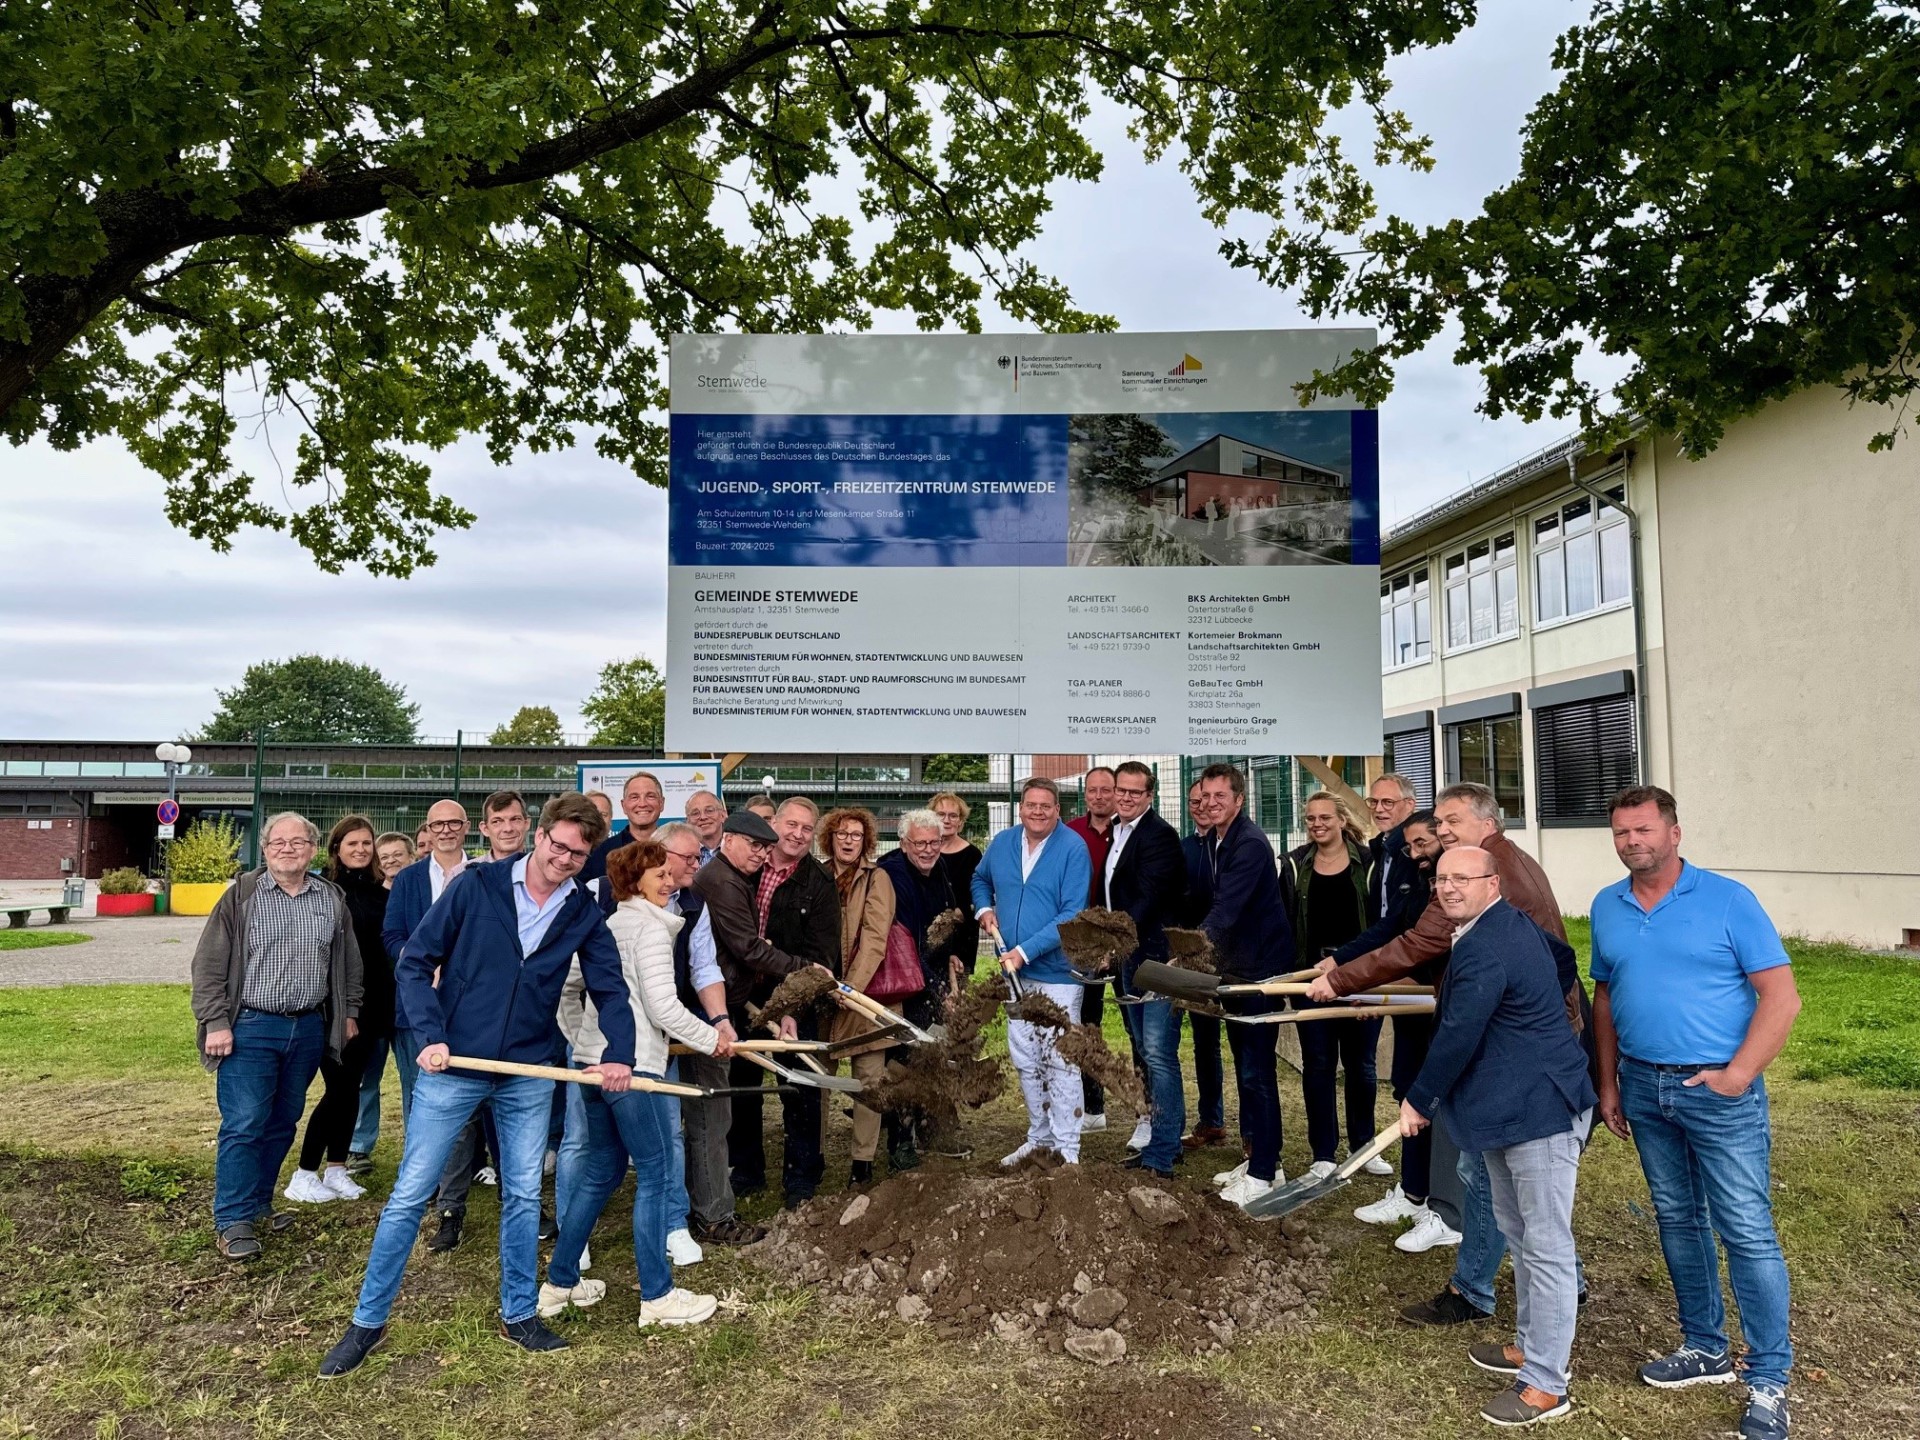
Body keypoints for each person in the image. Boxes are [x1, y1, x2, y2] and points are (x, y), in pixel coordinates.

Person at [319, 793, 637, 1377]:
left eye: (577, 853)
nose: (564, 859)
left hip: (527, 1073)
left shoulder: (583, 913)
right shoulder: (478, 885)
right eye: (558, 845)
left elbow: (611, 988)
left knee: (523, 1196)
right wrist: (429, 1033)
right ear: (539, 836)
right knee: (410, 1195)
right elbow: (415, 961)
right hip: (454, 1065)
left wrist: (620, 1055)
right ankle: (367, 1323)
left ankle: (519, 1314)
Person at [1308, 782, 1586, 1328]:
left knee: (1490, 1176)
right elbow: (1558, 958)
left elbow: (1423, 949)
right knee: (1502, 1181)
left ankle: (1488, 1295)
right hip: (1525, 1042)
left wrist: (1339, 980)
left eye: (1452, 821)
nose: (1442, 832)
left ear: (1488, 825)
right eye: (1439, 823)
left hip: (1517, 1056)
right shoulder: (1502, 865)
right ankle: (1544, 1282)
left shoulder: (1484, 882)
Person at [1591, 787, 1800, 1440]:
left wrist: (1737, 1076)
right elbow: (1606, 996)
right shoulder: (1607, 905)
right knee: (1678, 1219)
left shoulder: (1729, 900)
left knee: (1746, 1230)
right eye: (1622, 832)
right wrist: (1608, 1082)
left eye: (1644, 829)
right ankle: (1705, 1346)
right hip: (1643, 1085)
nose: (1632, 841)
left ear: (1674, 833)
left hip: (1717, 1091)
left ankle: (1768, 1378)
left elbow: (1781, 997)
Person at [1400, 847, 1596, 1429]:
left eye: (1463, 878)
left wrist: (1420, 1099)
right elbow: (1562, 960)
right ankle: (1530, 1347)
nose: (1449, 888)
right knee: (1519, 1233)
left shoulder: (1489, 943)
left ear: (1493, 883)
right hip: (1508, 1105)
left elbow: (1459, 1031)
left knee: (1546, 1245)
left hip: (1541, 1110)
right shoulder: (1502, 926)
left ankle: (1547, 1385)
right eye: (1442, 879)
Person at [543, 840, 728, 1329]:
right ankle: (658, 1296)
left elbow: (566, 988)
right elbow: (664, 1007)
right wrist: (713, 1040)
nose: (670, 882)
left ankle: (560, 1283)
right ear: (634, 882)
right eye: (659, 875)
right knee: (656, 1171)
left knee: (602, 1170)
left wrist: (582, 1041)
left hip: (592, 1068)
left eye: (669, 873)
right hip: (632, 1070)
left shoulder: (609, 924)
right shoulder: (650, 929)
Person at [191, 812, 363, 1261]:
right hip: (250, 1026)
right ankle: (232, 1220)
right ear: (265, 849)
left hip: (306, 1028)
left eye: (298, 842)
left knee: (283, 1120)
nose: (288, 849)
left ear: (313, 849)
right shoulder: (241, 896)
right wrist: (215, 1021)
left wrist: (348, 1012)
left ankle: (258, 1205)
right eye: (278, 842)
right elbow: (208, 965)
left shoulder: (330, 898)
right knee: (246, 1122)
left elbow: (349, 963)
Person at [692, 809, 836, 1209]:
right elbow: (746, 946)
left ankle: (801, 1178)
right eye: (791, 825)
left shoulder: (818, 882)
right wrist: (797, 967)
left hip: (787, 995)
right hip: (741, 997)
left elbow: (820, 949)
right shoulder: (736, 875)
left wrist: (795, 1000)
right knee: (743, 1087)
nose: (798, 834)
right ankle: (746, 1169)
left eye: (807, 828)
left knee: (800, 1087)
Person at [425, 793, 537, 1252]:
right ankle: (450, 1211)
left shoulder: (545, 874)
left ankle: (523, 1203)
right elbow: (437, 942)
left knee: (515, 1122)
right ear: (485, 828)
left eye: (515, 819)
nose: (508, 828)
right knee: (462, 1122)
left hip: (523, 1021)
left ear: (528, 825)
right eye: (498, 820)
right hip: (468, 1020)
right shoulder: (465, 877)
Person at [972, 777, 1093, 1167]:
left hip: (1057, 974)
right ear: (1020, 809)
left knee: (1060, 1059)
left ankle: (1066, 1149)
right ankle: (1039, 1138)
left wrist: (1025, 951)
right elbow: (979, 878)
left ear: (1058, 810)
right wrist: (983, 909)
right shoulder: (1004, 842)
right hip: (1015, 975)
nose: (1037, 812)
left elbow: (1072, 913)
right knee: (1026, 1057)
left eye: (1046, 806)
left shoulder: (1073, 849)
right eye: (1031, 805)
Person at [1193, 764, 1296, 1208]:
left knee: (1257, 1072)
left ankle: (1265, 1172)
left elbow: (1226, 910)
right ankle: (1262, 1159)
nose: (1211, 803)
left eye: (1221, 796)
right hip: (1237, 970)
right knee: (1246, 1067)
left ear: (1239, 799)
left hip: (1259, 971)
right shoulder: (1220, 839)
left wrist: (1190, 950)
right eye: (1206, 796)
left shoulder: (1249, 844)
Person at [1352, 810, 1452, 1248]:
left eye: (1422, 843)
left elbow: (1426, 949)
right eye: (1409, 846)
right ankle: (1414, 1192)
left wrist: (1370, 989)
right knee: (1409, 1092)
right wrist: (1346, 967)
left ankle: (1444, 1208)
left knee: (1439, 1103)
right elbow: (1393, 931)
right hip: (1414, 1009)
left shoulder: (1454, 883)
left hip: (1445, 1010)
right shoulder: (1417, 877)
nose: (1414, 853)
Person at [1281, 792, 1386, 1183]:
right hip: (1311, 980)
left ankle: (1363, 1147)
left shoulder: (1370, 864)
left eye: (1325, 817)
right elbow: (1286, 922)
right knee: (1318, 1065)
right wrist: (1293, 977)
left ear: (1342, 820)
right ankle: (1323, 1153)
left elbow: (1383, 924)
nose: (1317, 824)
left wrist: (1374, 978)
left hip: (1361, 978)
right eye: (1310, 818)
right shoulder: (1294, 865)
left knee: (1362, 1066)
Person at [286, 816, 389, 1204]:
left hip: (374, 1003)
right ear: (335, 850)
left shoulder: (382, 893)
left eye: (366, 843)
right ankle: (304, 1173)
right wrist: (344, 1009)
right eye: (352, 844)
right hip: (337, 1006)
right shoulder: (325, 892)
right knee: (339, 1088)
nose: (361, 850)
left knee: (352, 1089)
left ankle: (336, 1169)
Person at [1103, 761, 1189, 1178]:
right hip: (1130, 957)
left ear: (1149, 796)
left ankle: (1164, 1152)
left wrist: (1111, 940)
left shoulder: (1159, 836)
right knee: (1144, 1049)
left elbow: (1148, 899)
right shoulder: (1117, 831)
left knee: (1158, 1052)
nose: (1126, 797)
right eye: (1121, 790)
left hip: (1157, 958)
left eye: (1135, 792)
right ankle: (1163, 1140)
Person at [878, 807, 975, 1159]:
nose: (928, 849)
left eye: (934, 842)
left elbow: (944, 921)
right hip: (901, 978)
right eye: (920, 843)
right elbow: (905, 944)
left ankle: (931, 1131)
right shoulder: (893, 875)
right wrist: (938, 990)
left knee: (934, 1054)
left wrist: (950, 956)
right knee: (903, 1059)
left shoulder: (940, 868)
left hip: (931, 972)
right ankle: (900, 1143)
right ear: (904, 843)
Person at [817, 807, 905, 1183]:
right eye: (842, 833)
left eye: (856, 835)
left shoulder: (877, 878)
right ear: (830, 838)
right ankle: (814, 1156)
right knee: (819, 1077)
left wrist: (849, 988)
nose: (849, 840)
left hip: (866, 997)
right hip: (823, 994)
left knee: (868, 1080)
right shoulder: (817, 874)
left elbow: (875, 938)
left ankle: (862, 1163)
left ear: (866, 841)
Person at [346, 834, 416, 1174]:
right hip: (372, 1003)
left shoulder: (419, 894)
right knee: (366, 1078)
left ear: (412, 856)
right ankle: (358, 1147)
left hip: (409, 1004)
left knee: (415, 1081)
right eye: (383, 856)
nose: (390, 861)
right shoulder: (367, 897)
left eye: (397, 854)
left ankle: (418, 1149)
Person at [1065, 766, 1118, 1137]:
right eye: (1093, 790)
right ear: (1085, 794)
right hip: (1083, 945)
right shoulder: (1070, 833)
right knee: (1087, 1024)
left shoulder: (1127, 831)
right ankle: (1092, 1107)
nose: (1099, 796)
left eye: (1106, 790)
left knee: (1138, 1029)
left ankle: (1147, 1113)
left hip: (1123, 941)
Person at [1179, 777, 1228, 1151]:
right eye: (1195, 801)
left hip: (1228, 955)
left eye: (1209, 799)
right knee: (1202, 1040)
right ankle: (1210, 1120)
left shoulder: (1233, 846)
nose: (1202, 806)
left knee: (1237, 1043)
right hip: (1190, 958)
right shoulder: (1182, 849)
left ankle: (1248, 1134)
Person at [929, 790, 983, 980]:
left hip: (961, 937)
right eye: (941, 814)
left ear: (960, 822)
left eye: (953, 815)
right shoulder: (924, 851)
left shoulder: (973, 855)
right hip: (926, 939)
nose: (947, 820)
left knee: (957, 990)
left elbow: (975, 898)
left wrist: (947, 918)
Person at [581, 772, 666, 889]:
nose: (642, 803)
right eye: (634, 797)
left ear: (661, 803)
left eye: (650, 796)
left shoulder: (675, 850)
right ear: (623, 805)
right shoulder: (599, 854)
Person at [684, 790, 726, 863]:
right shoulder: (681, 854)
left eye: (709, 811)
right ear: (688, 821)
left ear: (723, 815)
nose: (703, 817)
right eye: (695, 813)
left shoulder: (737, 848)